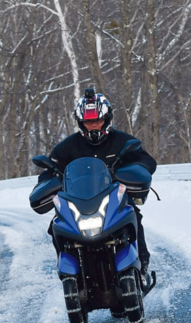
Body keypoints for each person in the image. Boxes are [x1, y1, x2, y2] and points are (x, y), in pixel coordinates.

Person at [37, 88, 157, 285]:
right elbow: (49, 170)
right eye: (88, 122)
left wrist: (135, 171)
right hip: (78, 203)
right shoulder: (67, 148)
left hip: (114, 200)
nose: (93, 126)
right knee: (56, 226)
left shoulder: (123, 141)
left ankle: (141, 267)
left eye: (97, 121)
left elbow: (146, 160)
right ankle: (70, 274)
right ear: (81, 122)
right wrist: (47, 183)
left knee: (133, 215)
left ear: (107, 119)